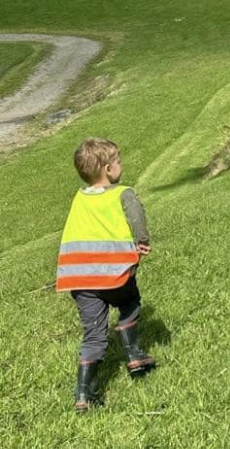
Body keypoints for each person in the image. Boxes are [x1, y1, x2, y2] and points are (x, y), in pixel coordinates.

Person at [56, 138, 156, 412]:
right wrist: (142, 238)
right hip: (114, 274)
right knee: (129, 303)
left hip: (80, 279)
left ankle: (83, 394)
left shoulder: (79, 198)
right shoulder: (122, 193)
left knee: (93, 334)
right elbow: (135, 215)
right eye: (119, 161)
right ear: (109, 169)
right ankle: (134, 354)